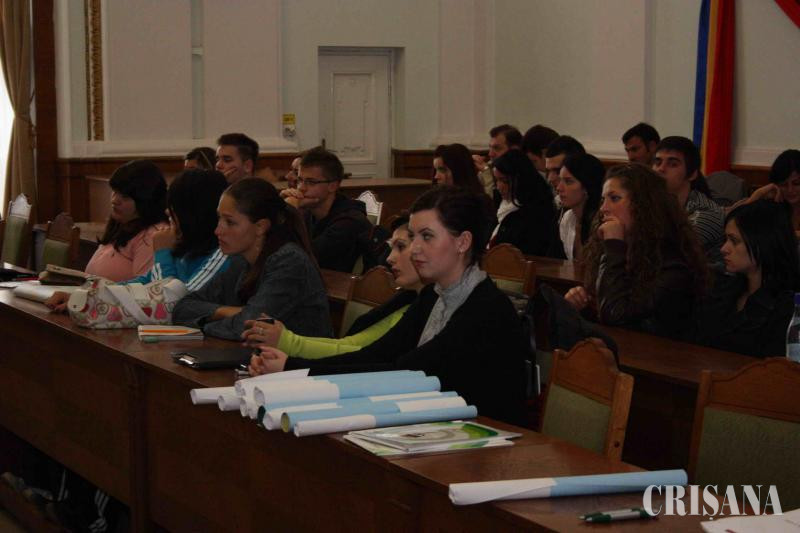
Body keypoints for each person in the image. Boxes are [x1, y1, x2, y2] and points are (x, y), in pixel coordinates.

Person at [249, 186, 528, 425]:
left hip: (484, 439)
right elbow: (375, 354)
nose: (415, 249)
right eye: (414, 236)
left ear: (463, 242)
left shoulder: (486, 310)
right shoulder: (433, 295)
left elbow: (403, 371)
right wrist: (294, 368)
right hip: (436, 422)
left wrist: (294, 370)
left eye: (427, 236)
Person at [45, 169, 232, 312]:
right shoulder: (184, 246)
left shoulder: (221, 254)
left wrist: (162, 253)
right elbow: (141, 285)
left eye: (175, 208)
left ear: (193, 214)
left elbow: (170, 304)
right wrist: (85, 297)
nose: (167, 212)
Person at [242, 214, 422, 358]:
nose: (389, 258)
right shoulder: (407, 299)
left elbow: (363, 354)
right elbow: (351, 343)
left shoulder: (419, 305)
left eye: (401, 247)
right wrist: (286, 339)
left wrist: (288, 342)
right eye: (392, 247)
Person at [172, 178, 332, 340]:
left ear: (260, 227)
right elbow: (183, 308)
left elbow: (247, 326)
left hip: (297, 356)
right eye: (219, 218)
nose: (217, 230)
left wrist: (204, 323)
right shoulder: (241, 260)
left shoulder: (289, 262)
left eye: (230, 222)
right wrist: (228, 311)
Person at [565, 164, 708, 338]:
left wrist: (614, 245)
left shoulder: (674, 266)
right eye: (603, 200)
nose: (603, 208)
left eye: (614, 198)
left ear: (644, 205)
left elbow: (615, 315)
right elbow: (606, 312)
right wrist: (583, 305)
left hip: (659, 352)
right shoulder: (624, 250)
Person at [694, 200, 800, 357]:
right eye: (726, 239)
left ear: (763, 242)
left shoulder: (787, 306)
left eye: (734, 241)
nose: (724, 249)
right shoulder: (724, 288)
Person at [279, 147, 372, 272]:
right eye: (300, 180)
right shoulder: (307, 213)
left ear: (332, 186)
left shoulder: (349, 222)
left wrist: (290, 211)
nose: (301, 188)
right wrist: (281, 210)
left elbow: (302, 260)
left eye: (311, 182)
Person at [83, 160, 168, 282]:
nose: (114, 200)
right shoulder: (122, 224)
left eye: (125, 197)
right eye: (115, 192)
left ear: (145, 201)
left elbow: (143, 288)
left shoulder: (151, 235)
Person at [652, 136, 724, 262]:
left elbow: (667, 254)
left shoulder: (706, 213)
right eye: (657, 162)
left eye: (672, 164)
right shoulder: (652, 203)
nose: (661, 169)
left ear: (692, 174)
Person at [489, 150, 558, 256]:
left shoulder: (534, 213)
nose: (498, 187)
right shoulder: (502, 203)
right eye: (496, 180)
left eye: (504, 181)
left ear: (520, 179)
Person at [554, 153, 605, 262]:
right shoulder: (568, 218)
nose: (559, 188)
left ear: (587, 187)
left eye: (568, 181)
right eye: (560, 180)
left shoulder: (602, 221)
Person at [734, 149, 800, 234]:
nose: (790, 190)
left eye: (796, 183)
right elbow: (736, 223)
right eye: (784, 184)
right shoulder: (772, 205)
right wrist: (758, 194)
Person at [472, 124, 522, 195]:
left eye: (497, 148)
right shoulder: (490, 166)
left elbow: (493, 200)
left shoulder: (522, 173)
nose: (490, 154)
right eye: (490, 148)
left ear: (514, 149)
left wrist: (486, 172)